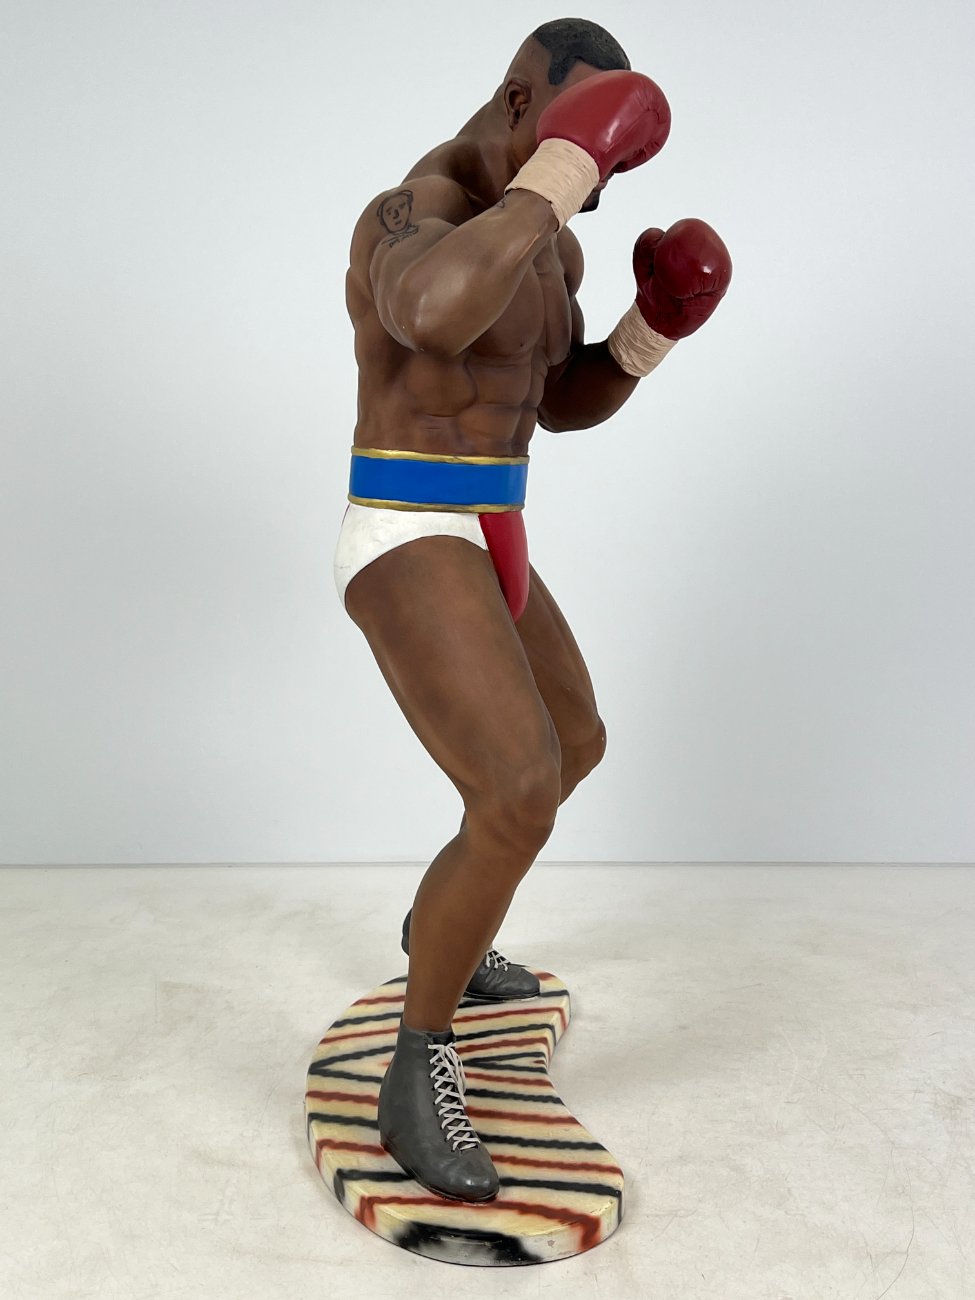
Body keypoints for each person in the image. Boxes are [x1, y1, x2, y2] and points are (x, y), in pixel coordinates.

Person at [334, 17, 732, 1203]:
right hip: (407, 524)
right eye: (587, 147)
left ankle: (440, 933)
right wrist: (564, 167)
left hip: (495, 525)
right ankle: (415, 1066)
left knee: (574, 744)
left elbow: (555, 402)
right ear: (524, 103)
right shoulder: (411, 211)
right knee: (514, 792)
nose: (597, 184)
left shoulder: (550, 244)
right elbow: (433, 314)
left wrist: (652, 330)